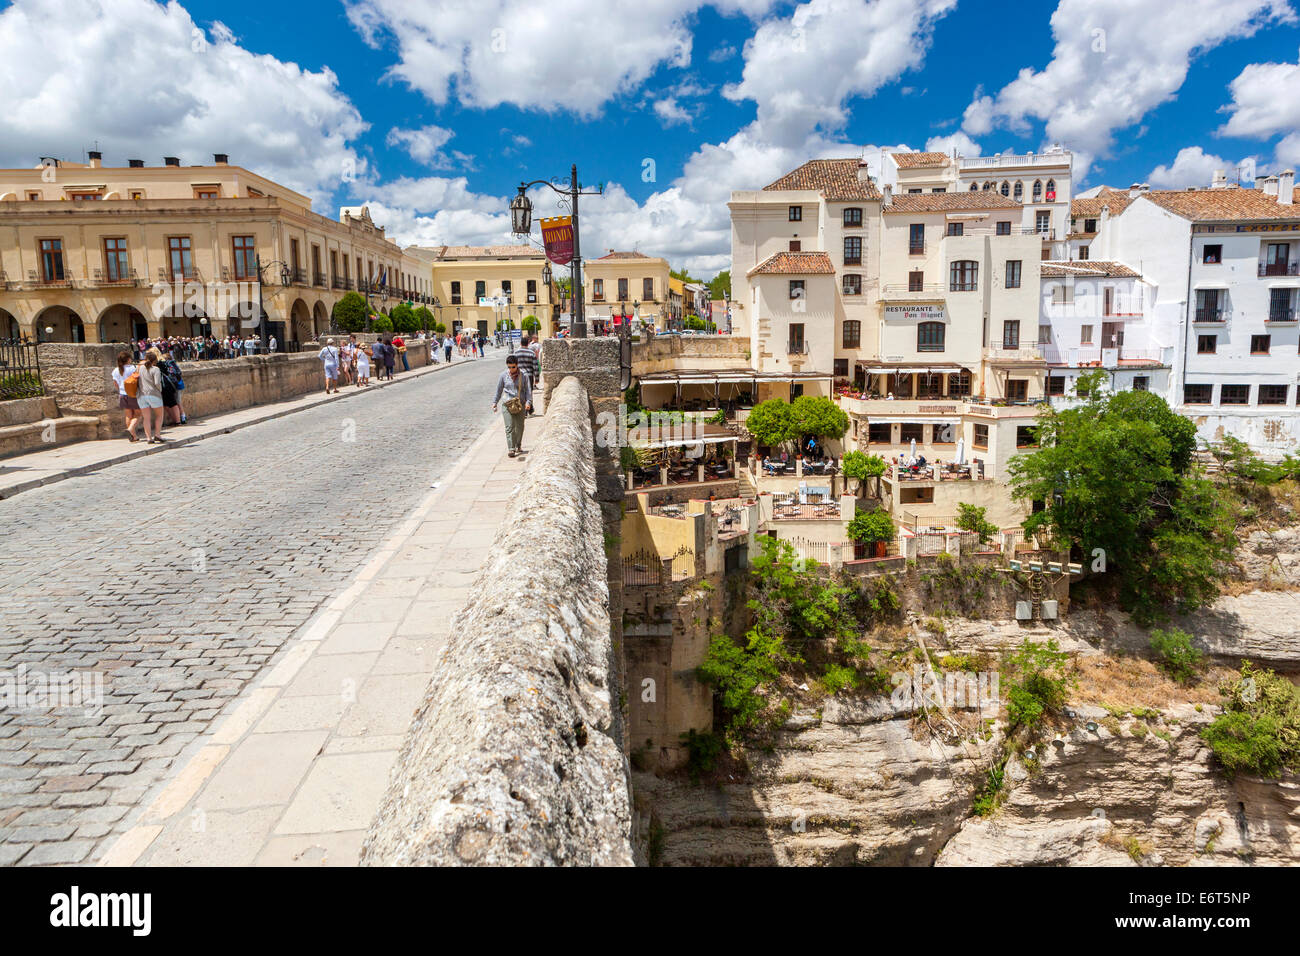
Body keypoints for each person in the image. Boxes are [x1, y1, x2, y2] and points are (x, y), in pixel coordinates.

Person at [492, 354, 532, 458]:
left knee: (519, 427)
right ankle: (511, 448)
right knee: (509, 427)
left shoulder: (524, 375)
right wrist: (495, 403)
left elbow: (528, 390)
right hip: (507, 404)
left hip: (520, 404)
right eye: (509, 367)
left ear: (517, 365)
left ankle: (518, 444)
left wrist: (528, 403)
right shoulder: (503, 376)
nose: (511, 369)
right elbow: (499, 390)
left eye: (513, 367)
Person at [136, 348, 166, 443]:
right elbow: (157, 383)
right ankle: (157, 435)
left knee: (146, 417)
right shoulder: (156, 369)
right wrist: (160, 390)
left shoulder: (140, 368)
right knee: (159, 415)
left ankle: (149, 438)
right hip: (153, 394)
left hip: (141, 395)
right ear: (155, 360)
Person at [112, 350, 141, 442]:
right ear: (128, 359)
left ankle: (133, 436)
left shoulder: (116, 370)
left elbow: (115, 384)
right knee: (138, 414)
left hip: (122, 394)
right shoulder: (133, 368)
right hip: (133, 394)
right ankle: (130, 429)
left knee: (128, 415)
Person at [512, 335, 538, 412]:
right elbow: (535, 367)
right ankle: (529, 408)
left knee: (520, 392)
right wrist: (536, 378)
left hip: (518, 375)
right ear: (528, 344)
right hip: (529, 375)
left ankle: (524, 409)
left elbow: (513, 365)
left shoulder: (516, 353)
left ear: (520, 343)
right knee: (529, 392)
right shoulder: (531, 353)